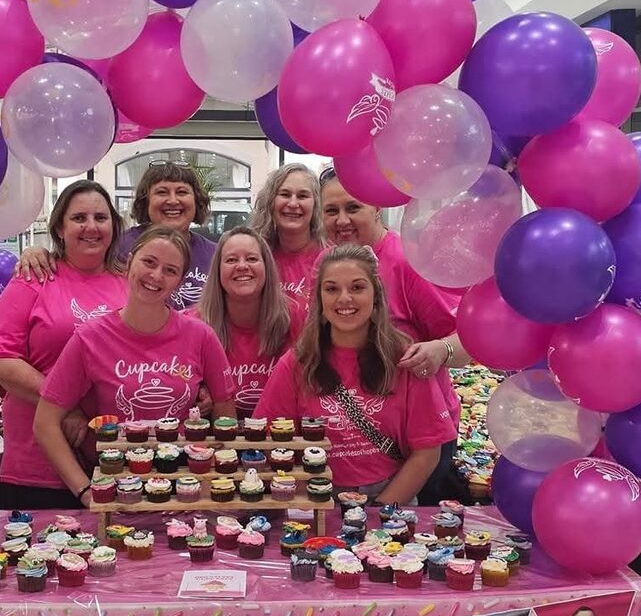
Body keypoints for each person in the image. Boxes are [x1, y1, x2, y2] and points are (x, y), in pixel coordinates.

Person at [36, 228, 236, 504]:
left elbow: (226, 414)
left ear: (179, 281)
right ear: (130, 262)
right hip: (119, 493)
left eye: (170, 270)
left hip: (186, 492)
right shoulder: (91, 338)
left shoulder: (200, 336)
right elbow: (44, 423)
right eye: (149, 262)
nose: (156, 276)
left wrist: (210, 479)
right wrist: (84, 490)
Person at [256, 244, 457, 505]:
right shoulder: (296, 364)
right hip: (316, 500)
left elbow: (427, 452)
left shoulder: (405, 360)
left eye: (357, 287)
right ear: (319, 302)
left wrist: (379, 513)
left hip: (391, 499)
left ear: (376, 297)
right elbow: (269, 442)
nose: (344, 298)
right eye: (331, 289)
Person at [319, 165, 466, 503]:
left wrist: (439, 350)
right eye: (331, 211)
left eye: (352, 207)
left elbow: (465, 338)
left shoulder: (407, 261)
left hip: (417, 438)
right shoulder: (326, 263)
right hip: (352, 436)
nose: (342, 220)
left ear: (377, 207)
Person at [0, 180, 127, 510]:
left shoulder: (130, 282)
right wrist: (64, 407)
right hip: (38, 462)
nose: (91, 227)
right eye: (79, 218)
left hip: (115, 459)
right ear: (60, 228)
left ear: (113, 227)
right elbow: (0, 360)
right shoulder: (34, 278)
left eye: (100, 218)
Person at [16, 161, 216, 310]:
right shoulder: (118, 244)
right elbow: (76, 259)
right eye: (162, 192)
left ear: (196, 200)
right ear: (146, 202)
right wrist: (38, 253)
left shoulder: (216, 254)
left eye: (182, 192)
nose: (172, 201)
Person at [195, 228, 302, 417]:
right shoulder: (194, 323)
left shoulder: (297, 317)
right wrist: (197, 391)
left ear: (267, 267)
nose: (242, 266)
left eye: (252, 259)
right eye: (231, 260)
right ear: (217, 270)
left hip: (280, 437)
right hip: (215, 440)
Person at [247, 164, 324, 304]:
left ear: (316, 204)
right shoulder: (255, 257)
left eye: (302, 196)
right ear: (270, 202)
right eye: (285, 194)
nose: (293, 203)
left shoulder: (330, 258)